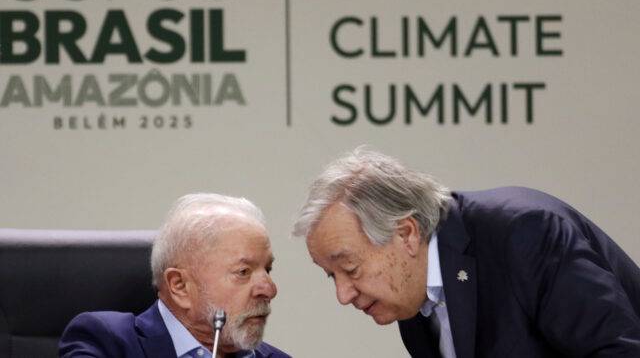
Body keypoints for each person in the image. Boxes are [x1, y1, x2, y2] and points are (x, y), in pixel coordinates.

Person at [292, 147, 640, 357]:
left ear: (406, 233)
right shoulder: (410, 295)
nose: (343, 295)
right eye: (331, 276)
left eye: (350, 268)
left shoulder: (524, 234)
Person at [60, 193, 290, 358]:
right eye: (243, 272)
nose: (269, 289)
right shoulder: (106, 343)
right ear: (179, 286)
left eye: (267, 269)